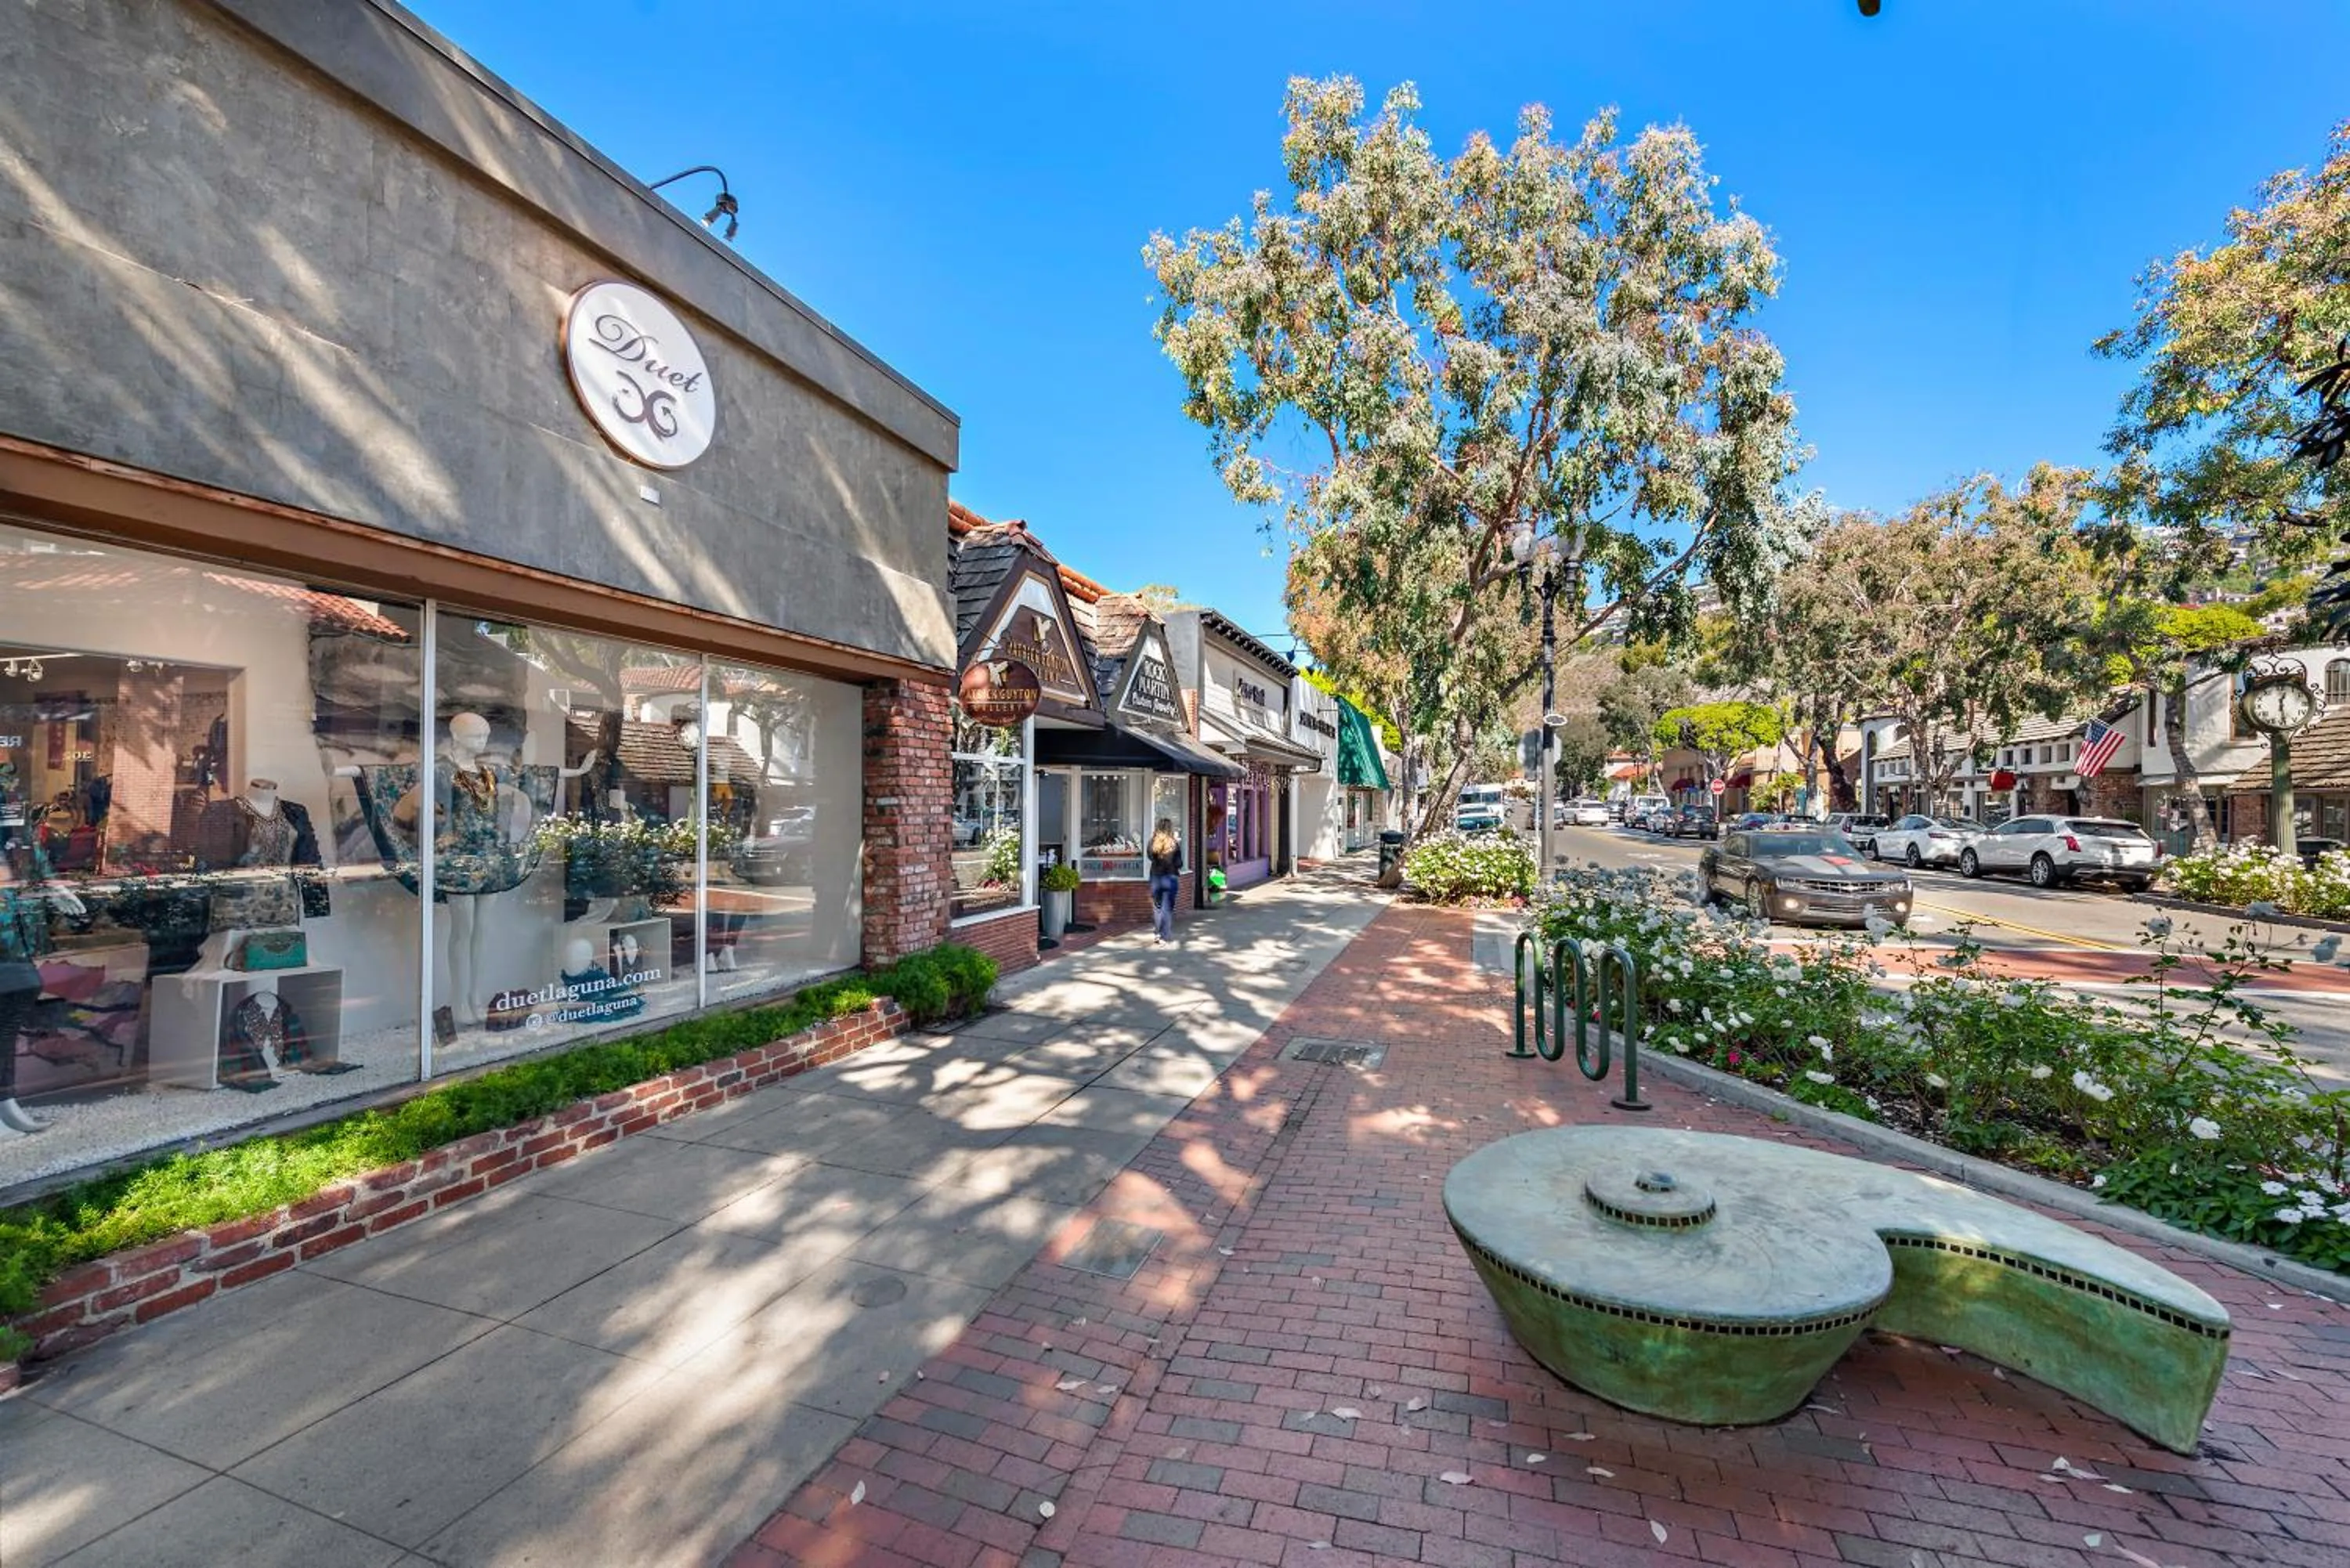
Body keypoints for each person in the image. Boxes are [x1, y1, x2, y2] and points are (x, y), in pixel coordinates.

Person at [1147, 817, 1182, 943]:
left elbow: (1150, 857)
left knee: (1158, 907)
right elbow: (1179, 863)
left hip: (1156, 877)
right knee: (1167, 908)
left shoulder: (1152, 842)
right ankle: (1164, 935)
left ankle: (1158, 933)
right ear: (1170, 828)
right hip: (1170, 877)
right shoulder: (1174, 843)